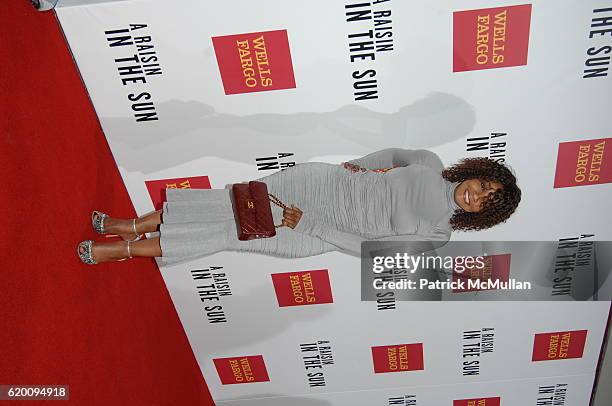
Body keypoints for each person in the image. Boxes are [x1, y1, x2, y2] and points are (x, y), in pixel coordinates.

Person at [77, 148, 521, 265]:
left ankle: (123, 251)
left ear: (483, 215)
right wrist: (356, 167)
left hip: (312, 228)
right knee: (225, 202)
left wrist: (313, 225)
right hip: (316, 182)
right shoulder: (429, 162)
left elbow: (370, 252)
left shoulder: (438, 235)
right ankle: (130, 224)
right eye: (482, 184)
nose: (476, 194)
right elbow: (390, 155)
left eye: (485, 201)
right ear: (475, 172)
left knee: (225, 233)